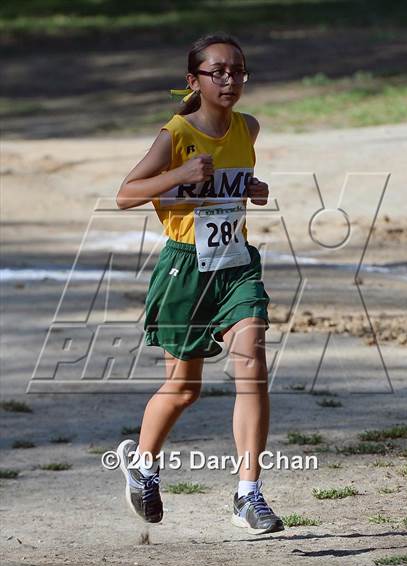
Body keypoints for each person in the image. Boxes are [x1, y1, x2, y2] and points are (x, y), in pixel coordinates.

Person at [115, 32, 284, 535]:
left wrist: (253, 190)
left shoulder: (247, 128)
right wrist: (179, 174)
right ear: (195, 81)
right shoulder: (175, 133)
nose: (230, 79)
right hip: (185, 269)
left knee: (252, 362)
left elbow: (232, 188)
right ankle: (143, 466)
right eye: (218, 72)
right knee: (184, 389)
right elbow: (126, 194)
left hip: (235, 264)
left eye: (238, 70)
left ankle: (248, 493)